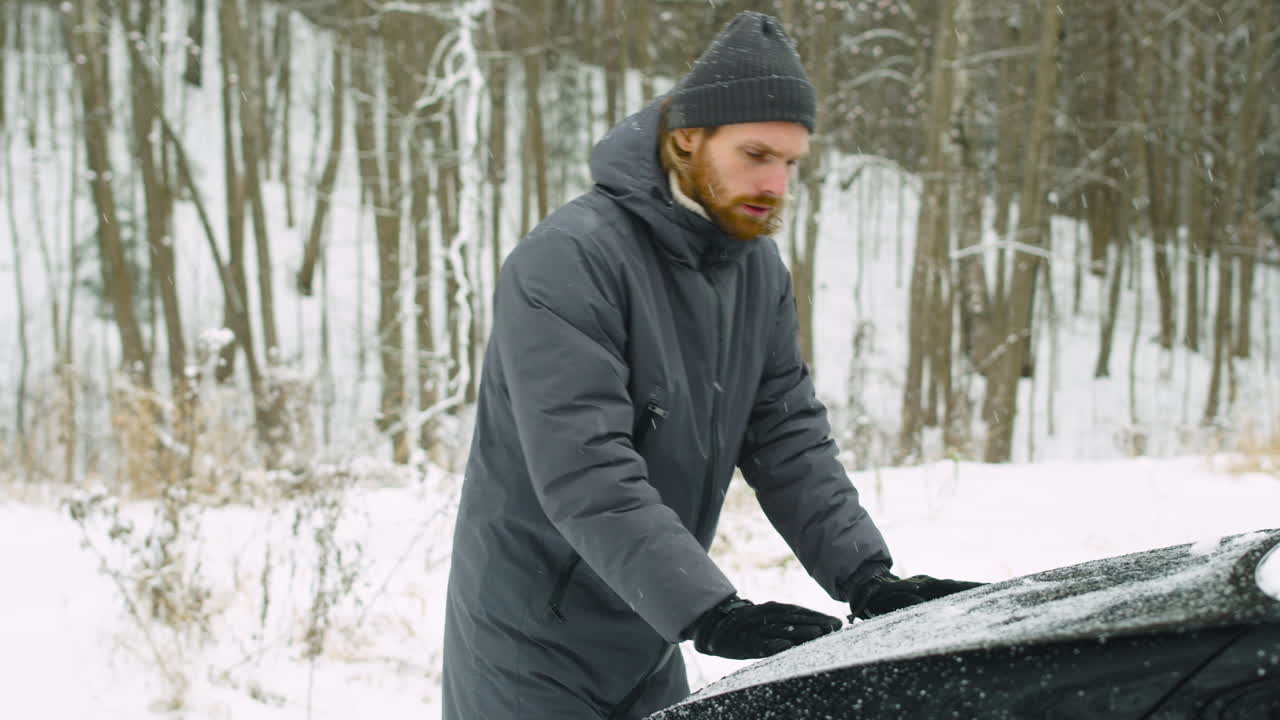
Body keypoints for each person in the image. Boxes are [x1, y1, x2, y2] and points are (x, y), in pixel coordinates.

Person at [441, 11, 981, 719]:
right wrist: (710, 612)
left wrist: (865, 577)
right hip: (528, 645)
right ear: (687, 138)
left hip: (649, 633)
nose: (776, 183)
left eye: (790, 162)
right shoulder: (568, 261)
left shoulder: (756, 272)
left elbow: (787, 439)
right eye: (756, 154)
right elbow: (587, 469)